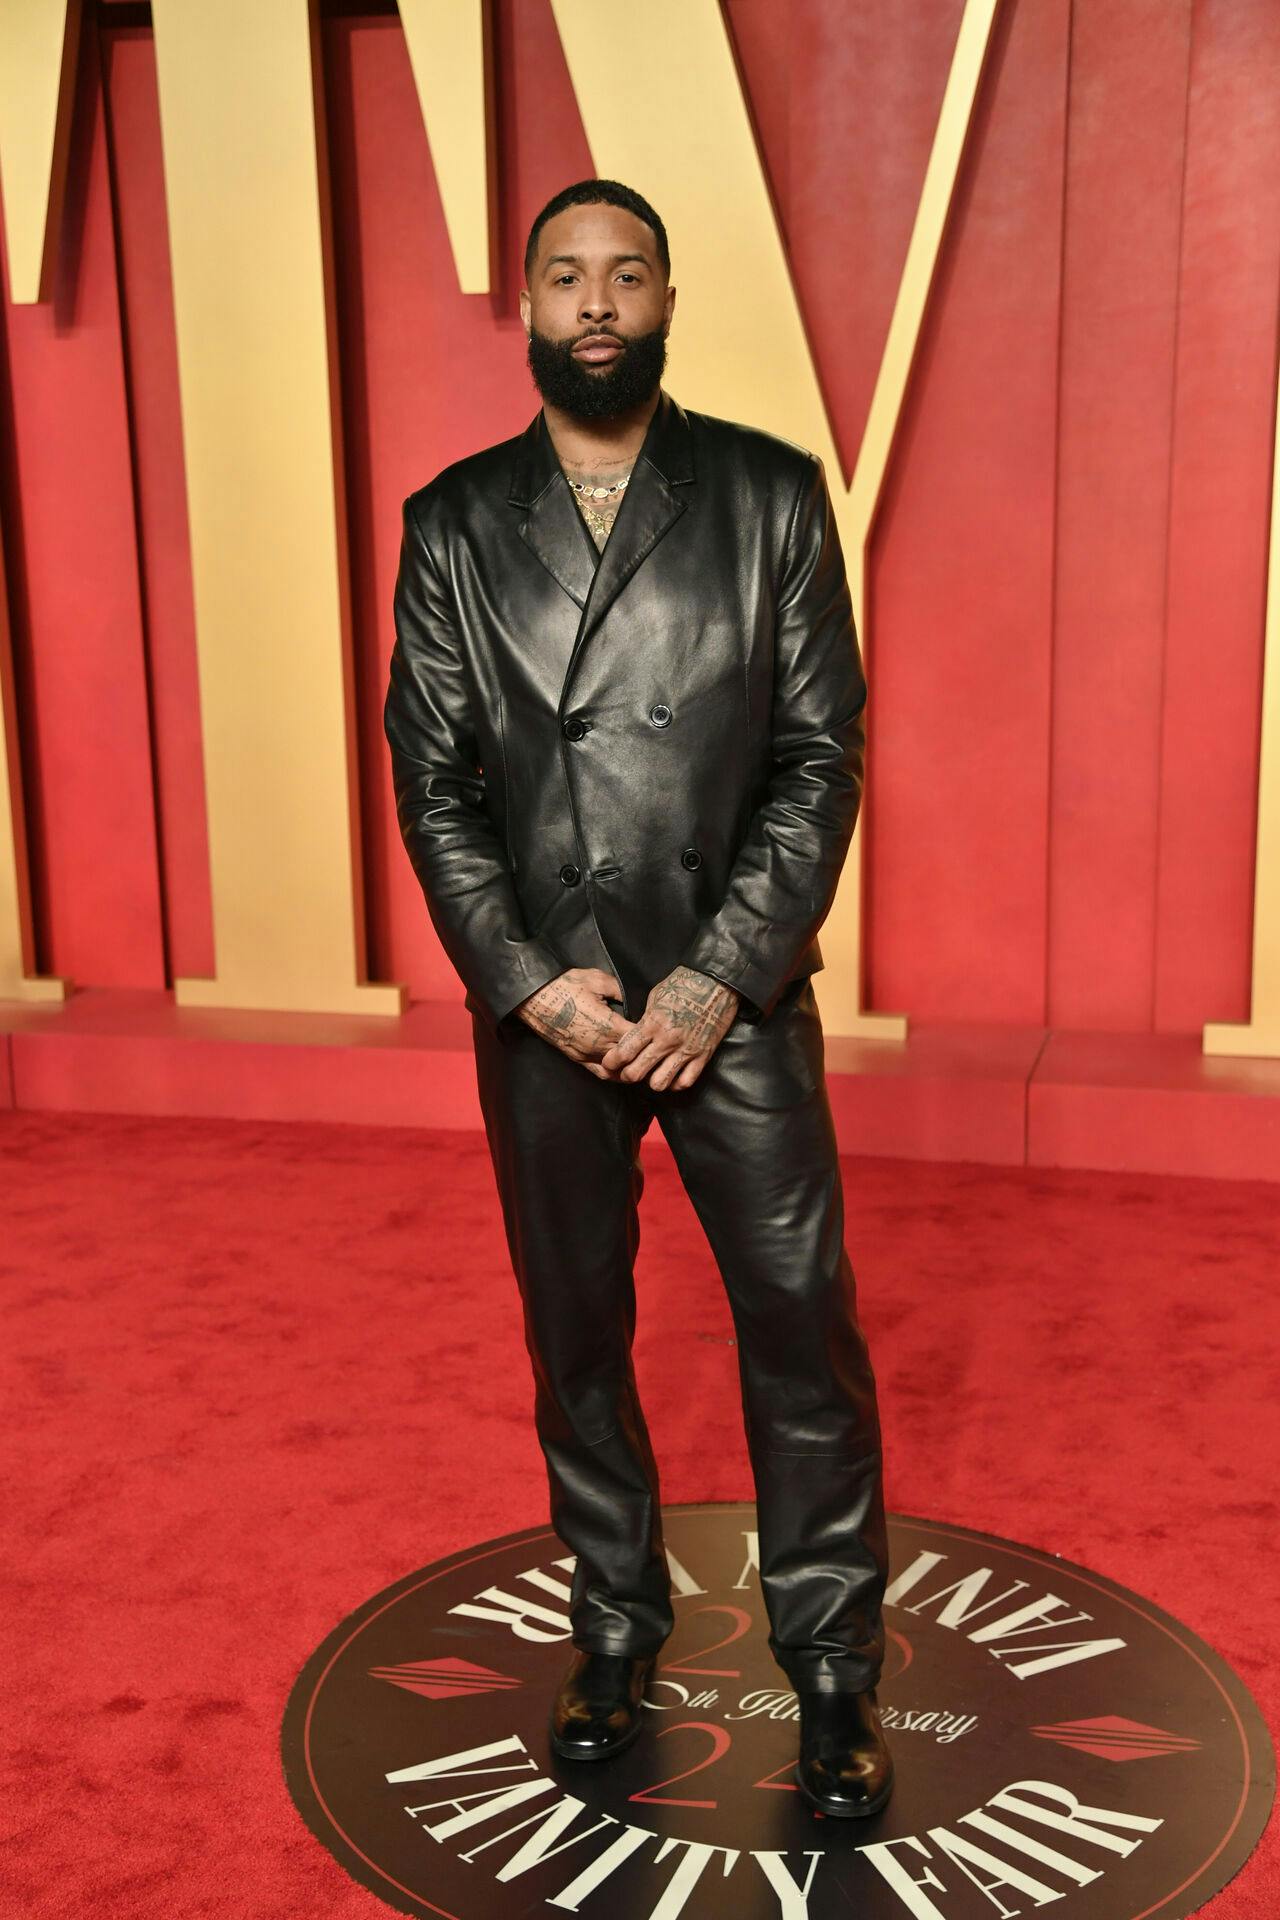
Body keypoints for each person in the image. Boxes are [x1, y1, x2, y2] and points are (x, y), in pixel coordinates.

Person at [383, 177, 893, 1819]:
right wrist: (532, 983)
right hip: (556, 1013)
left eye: (628, 275)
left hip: (722, 999)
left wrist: (718, 975)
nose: (595, 302)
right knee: (577, 1332)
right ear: (526, 309)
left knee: (799, 1332)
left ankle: (830, 1675)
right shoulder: (454, 524)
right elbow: (436, 782)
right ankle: (612, 1628)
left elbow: (822, 762)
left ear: (669, 302)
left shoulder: (764, 496)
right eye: (564, 277)